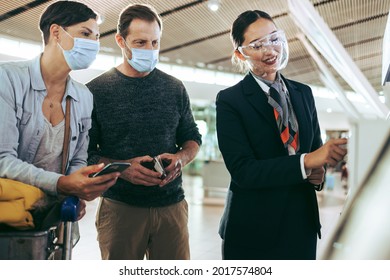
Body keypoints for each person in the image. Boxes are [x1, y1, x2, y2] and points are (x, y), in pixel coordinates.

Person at [216, 10, 348, 260]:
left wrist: (318, 173)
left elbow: (315, 149)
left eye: (274, 39)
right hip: (253, 231)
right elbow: (243, 171)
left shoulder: (303, 93)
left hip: (301, 227)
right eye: (257, 45)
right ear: (240, 54)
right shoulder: (230, 101)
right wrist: (307, 162)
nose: (270, 50)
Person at [86, 3, 201, 260]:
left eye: (155, 43)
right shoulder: (96, 91)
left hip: (171, 207)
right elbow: (85, 154)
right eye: (140, 42)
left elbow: (192, 137)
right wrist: (123, 168)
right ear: (120, 41)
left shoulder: (174, 88)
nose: (149, 50)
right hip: (120, 209)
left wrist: (180, 158)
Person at [0, 1, 120, 221]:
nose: (94, 44)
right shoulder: (7, 79)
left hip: (54, 215)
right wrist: (62, 184)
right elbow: (2, 160)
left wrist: (81, 184)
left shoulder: (83, 96)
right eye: (85, 33)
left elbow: (78, 158)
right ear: (56, 32)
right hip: (10, 212)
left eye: (96, 38)